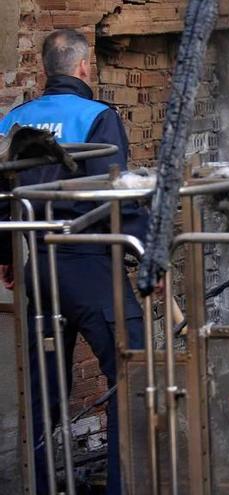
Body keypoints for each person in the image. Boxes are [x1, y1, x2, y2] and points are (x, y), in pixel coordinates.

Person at [0, 29, 148, 495]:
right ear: (85, 67)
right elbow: (115, 192)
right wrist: (145, 258)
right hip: (88, 262)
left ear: (45, 69)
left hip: (37, 264)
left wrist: (8, 257)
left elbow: (5, 196)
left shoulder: (15, 120)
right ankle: (123, 487)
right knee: (133, 368)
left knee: (42, 389)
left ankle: (42, 486)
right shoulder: (98, 116)